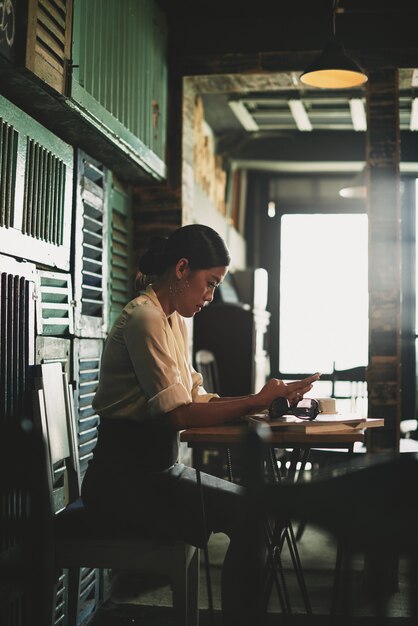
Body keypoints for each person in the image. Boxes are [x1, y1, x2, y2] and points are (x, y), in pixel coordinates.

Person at [81, 223, 320, 626]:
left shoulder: (171, 319)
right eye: (209, 284)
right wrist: (256, 400)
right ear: (181, 269)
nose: (210, 296)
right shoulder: (144, 318)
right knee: (251, 514)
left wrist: (264, 404)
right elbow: (179, 414)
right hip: (124, 483)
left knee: (253, 510)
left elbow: (195, 397)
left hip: (155, 472)